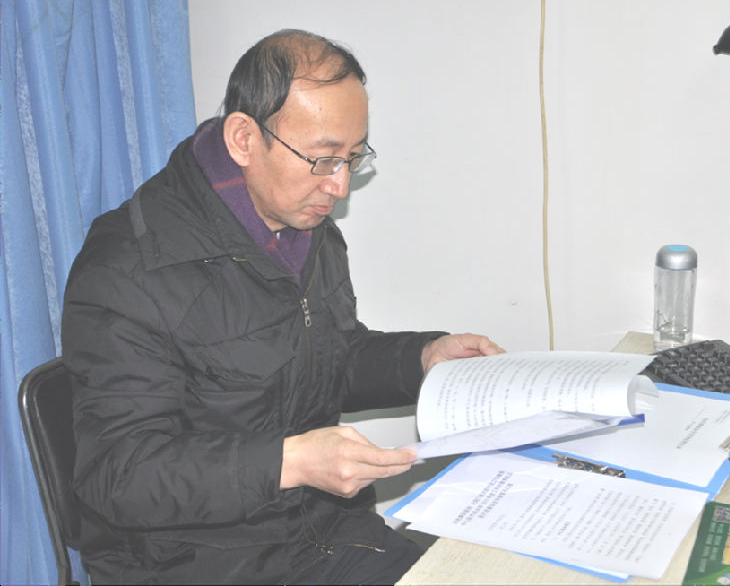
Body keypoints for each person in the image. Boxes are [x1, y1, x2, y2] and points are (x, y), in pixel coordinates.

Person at [61, 29, 502, 585]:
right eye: (323, 159)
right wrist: (290, 463)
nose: (339, 186)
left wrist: (423, 359)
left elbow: (328, 358)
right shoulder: (130, 267)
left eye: (353, 158)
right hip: (197, 565)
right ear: (244, 139)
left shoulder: (303, 227)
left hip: (323, 534)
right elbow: (119, 476)